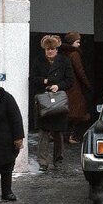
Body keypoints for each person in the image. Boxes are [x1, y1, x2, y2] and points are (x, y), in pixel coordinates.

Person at [30, 34, 75, 172]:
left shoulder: (64, 61)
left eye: (52, 49)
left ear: (57, 49)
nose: (50, 51)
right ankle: (43, 162)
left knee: (58, 133)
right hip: (43, 100)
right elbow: (32, 78)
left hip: (58, 101)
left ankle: (58, 161)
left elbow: (70, 80)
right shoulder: (38, 61)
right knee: (43, 132)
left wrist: (58, 86)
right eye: (47, 49)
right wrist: (44, 81)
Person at [60, 31, 92, 144]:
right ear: (72, 42)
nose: (79, 44)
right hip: (74, 87)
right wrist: (87, 84)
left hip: (66, 86)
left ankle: (65, 136)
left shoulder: (63, 53)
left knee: (69, 113)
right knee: (78, 113)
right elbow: (80, 71)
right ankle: (69, 136)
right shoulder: (74, 54)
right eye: (77, 42)